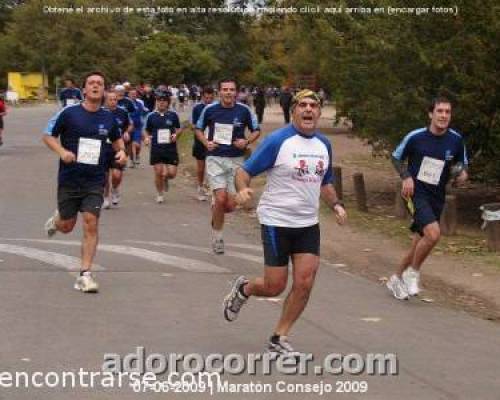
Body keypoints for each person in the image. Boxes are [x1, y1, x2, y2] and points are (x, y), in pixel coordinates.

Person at [222, 89, 347, 355]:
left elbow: (325, 182)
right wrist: (242, 189)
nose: (309, 110)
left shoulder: (324, 145)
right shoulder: (278, 141)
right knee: (274, 286)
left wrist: (336, 204)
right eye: (303, 105)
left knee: (305, 282)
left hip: (307, 223)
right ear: (294, 112)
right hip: (276, 221)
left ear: (319, 112)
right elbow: (244, 171)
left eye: (314, 105)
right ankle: (244, 289)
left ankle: (279, 337)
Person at [43, 71, 127, 293]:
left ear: (104, 90)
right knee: (67, 226)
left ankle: (85, 274)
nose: (96, 86)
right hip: (70, 179)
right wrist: (61, 151)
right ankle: (57, 220)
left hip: (95, 180)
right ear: (84, 89)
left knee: (91, 222)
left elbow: (118, 141)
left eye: (100, 83)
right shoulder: (68, 113)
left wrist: (122, 153)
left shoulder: (108, 117)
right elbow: (47, 135)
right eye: (91, 83)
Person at [387, 97, 468, 300]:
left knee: (419, 243)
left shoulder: (456, 140)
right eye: (439, 111)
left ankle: (395, 279)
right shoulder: (416, 137)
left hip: (436, 196)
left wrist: (462, 174)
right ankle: (412, 273)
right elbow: (396, 157)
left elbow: (462, 164)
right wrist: (406, 177)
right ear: (430, 114)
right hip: (414, 194)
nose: (443, 116)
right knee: (433, 234)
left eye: (447, 112)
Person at [196, 78, 260, 254]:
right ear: (219, 92)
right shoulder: (210, 110)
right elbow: (198, 129)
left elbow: (257, 130)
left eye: (232, 89)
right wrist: (206, 143)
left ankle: (216, 210)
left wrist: (246, 141)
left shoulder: (244, 110)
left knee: (230, 206)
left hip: (236, 160)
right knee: (221, 198)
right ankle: (217, 237)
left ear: (236, 92)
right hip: (215, 158)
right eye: (225, 89)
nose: (229, 93)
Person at [143, 90, 182, 203]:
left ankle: (166, 178)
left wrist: (176, 135)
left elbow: (179, 129)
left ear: (168, 103)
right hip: (156, 148)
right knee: (158, 171)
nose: (161, 103)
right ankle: (160, 194)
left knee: (172, 173)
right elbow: (145, 130)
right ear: (156, 102)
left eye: (164, 101)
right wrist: (146, 137)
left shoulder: (173, 115)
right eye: (159, 100)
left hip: (170, 148)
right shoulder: (151, 116)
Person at [102, 90, 133, 208]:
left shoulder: (122, 112)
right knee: (104, 177)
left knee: (116, 175)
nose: (113, 101)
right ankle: (105, 198)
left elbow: (130, 124)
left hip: (118, 148)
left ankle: (115, 189)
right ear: (105, 100)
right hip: (104, 148)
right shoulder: (100, 113)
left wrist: (126, 132)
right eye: (110, 99)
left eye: (115, 99)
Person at [191, 87, 215, 201]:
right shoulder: (197, 108)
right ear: (202, 97)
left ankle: (211, 187)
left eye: (211, 98)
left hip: (213, 140)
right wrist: (199, 130)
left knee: (213, 167)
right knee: (201, 167)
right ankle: (200, 187)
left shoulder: (217, 107)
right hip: (200, 141)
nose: (209, 100)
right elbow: (193, 125)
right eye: (206, 98)